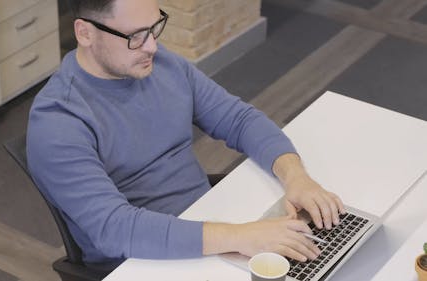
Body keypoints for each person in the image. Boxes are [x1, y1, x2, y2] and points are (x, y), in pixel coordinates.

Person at [27, 0, 345, 270]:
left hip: (211, 223)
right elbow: (117, 230)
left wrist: (296, 177)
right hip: (143, 261)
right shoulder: (58, 122)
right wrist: (243, 237)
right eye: (135, 36)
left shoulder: (160, 63)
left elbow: (239, 120)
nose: (152, 45)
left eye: (154, 27)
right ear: (85, 32)